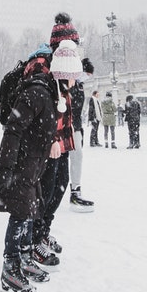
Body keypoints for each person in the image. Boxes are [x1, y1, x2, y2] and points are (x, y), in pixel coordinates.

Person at [0, 49, 58, 292]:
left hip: (33, 163)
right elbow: (13, 130)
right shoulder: (36, 91)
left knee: (30, 209)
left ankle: (25, 256)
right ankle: (11, 266)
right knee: (20, 213)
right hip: (23, 163)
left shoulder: (45, 91)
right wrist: (7, 167)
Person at [32, 36, 85, 267]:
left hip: (63, 143)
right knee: (47, 190)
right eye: (73, 77)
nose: (75, 82)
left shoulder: (64, 89)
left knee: (60, 185)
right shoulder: (50, 85)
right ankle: (35, 239)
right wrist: (52, 139)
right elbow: (44, 117)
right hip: (50, 146)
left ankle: (43, 231)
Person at [69, 57, 95, 209]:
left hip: (75, 126)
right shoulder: (70, 84)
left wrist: (79, 128)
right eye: (86, 73)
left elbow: (77, 111)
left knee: (77, 155)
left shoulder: (79, 85)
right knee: (72, 157)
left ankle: (76, 190)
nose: (88, 77)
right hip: (67, 125)